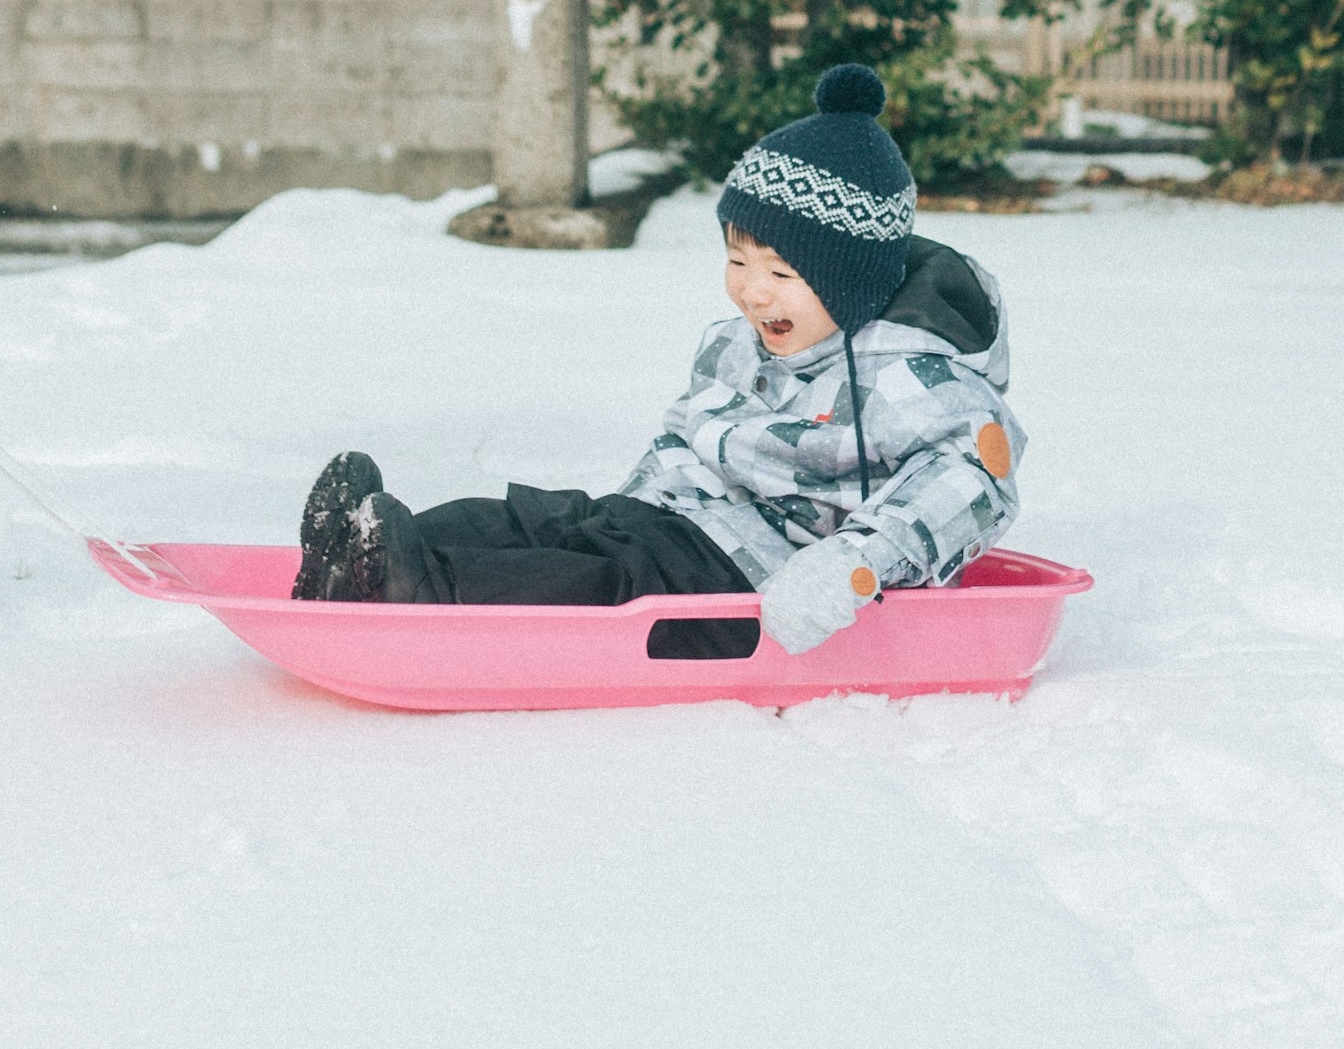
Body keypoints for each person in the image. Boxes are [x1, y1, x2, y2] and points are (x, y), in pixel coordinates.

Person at [297, 66, 1027, 656]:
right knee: (552, 522)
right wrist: (630, 507)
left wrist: (850, 565)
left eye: (780, 272)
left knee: (607, 580)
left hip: (758, 586)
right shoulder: (739, 343)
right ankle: (373, 548)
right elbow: (686, 439)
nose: (749, 289)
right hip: (682, 523)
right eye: (737, 260)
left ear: (851, 279)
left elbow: (971, 485)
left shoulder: (912, 378)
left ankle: (425, 586)